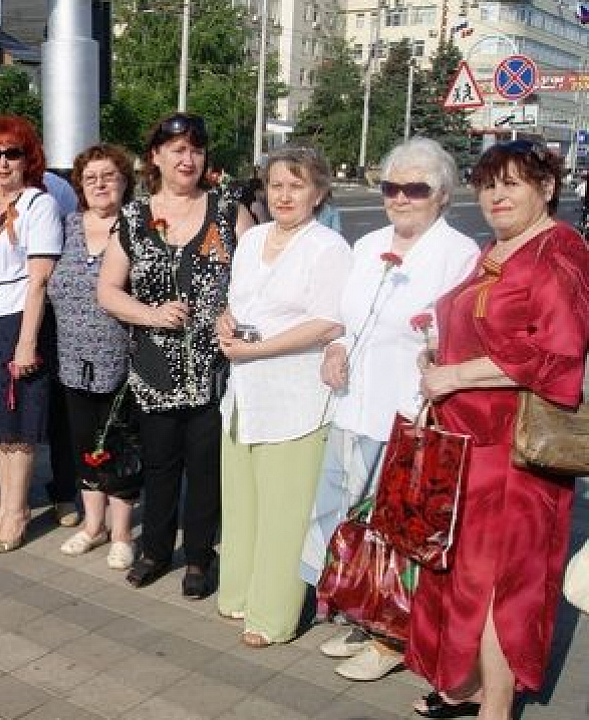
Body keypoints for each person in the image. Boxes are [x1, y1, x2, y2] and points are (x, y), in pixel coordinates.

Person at [408, 141, 589, 720]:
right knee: (466, 575)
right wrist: (439, 355)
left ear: (547, 188)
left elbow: (558, 355)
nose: (497, 196)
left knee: (502, 583)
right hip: (471, 443)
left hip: (517, 452)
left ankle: (498, 705)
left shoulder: (559, 250)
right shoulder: (498, 249)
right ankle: (468, 687)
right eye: (488, 185)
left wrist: (457, 374)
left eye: (512, 184)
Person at [300, 138, 478, 682]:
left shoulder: (458, 254)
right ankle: (360, 614)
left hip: (407, 414)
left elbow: (452, 338)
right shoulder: (368, 244)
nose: (400, 198)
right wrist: (335, 347)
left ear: (442, 195)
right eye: (391, 187)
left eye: (415, 188)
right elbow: (345, 319)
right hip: (353, 406)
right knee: (350, 521)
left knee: (397, 528)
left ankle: (392, 635)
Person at [99, 113, 255, 593]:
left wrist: (233, 313)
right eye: (178, 150)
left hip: (214, 369)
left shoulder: (229, 211)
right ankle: (155, 551)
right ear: (156, 156)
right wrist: (150, 314)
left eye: (196, 150)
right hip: (154, 369)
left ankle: (200, 558)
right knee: (160, 465)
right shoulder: (133, 217)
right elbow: (108, 290)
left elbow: (258, 280)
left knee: (206, 469)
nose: (188, 159)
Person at [215, 146, 352, 647]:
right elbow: (236, 301)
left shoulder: (328, 247)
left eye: (297, 185)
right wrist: (225, 322)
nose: (285, 195)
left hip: (295, 398)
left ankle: (273, 615)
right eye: (276, 185)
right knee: (243, 504)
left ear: (318, 193)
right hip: (244, 394)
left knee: (284, 513)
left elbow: (329, 322)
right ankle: (238, 594)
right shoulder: (252, 240)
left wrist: (258, 349)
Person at [0, 114, 80, 528]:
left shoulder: (38, 205)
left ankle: (18, 511)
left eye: (12, 153)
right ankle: (5, 505)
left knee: (19, 423)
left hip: (18, 324)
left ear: (29, 158)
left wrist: (26, 343)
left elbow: (39, 279)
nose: (2, 162)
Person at [48, 144, 137, 570]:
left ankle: (122, 533)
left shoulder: (137, 226)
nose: (100, 184)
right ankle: (93, 524)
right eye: (90, 178)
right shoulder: (66, 226)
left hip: (123, 359)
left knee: (119, 445)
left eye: (109, 176)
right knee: (83, 443)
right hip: (71, 357)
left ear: (124, 181)